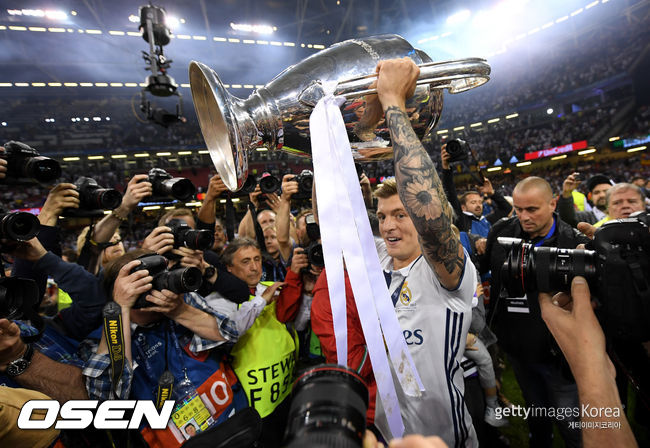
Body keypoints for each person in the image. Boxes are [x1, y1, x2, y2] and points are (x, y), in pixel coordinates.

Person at [316, 57, 477, 447]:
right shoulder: (377, 258)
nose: (388, 226)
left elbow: (430, 211)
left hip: (443, 437)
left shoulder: (444, 270)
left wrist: (393, 102)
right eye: (383, 216)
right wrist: (330, 133)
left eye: (401, 215)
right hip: (382, 436)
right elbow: (338, 215)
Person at [82, 249, 248, 447]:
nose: (159, 290)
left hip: (233, 428)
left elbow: (232, 335)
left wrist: (180, 311)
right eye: (144, 285)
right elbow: (107, 400)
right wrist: (120, 309)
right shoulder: (100, 339)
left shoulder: (180, 301)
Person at [484, 176, 590, 447]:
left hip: (561, 356)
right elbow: (484, 268)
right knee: (537, 415)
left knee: (571, 425)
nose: (523, 216)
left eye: (532, 209)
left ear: (553, 203)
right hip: (519, 350)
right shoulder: (501, 232)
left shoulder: (574, 243)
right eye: (518, 209)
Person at [203, 238, 296, 448]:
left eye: (256, 259)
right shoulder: (217, 303)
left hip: (286, 392)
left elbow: (298, 323)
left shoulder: (273, 288)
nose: (254, 268)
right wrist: (261, 301)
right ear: (228, 268)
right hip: (253, 408)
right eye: (245, 262)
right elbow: (229, 332)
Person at [440, 144, 512, 237]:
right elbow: (451, 194)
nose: (478, 205)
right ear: (463, 208)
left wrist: (492, 193)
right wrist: (446, 168)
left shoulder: (487, 220)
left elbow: (507, 208)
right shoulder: (462, 221)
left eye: (480, 202)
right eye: (473, 202)